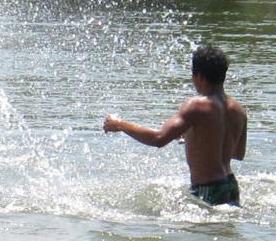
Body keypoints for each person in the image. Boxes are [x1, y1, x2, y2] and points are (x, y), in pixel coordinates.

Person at [103, 44, 247, 206]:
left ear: (199, 76)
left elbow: (158, 138)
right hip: (231, 186)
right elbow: (237, 153)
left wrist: (120, 125)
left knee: (200, 231)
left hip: (207, 189)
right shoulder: (238, 110)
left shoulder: (196, 106)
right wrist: (196, 138)